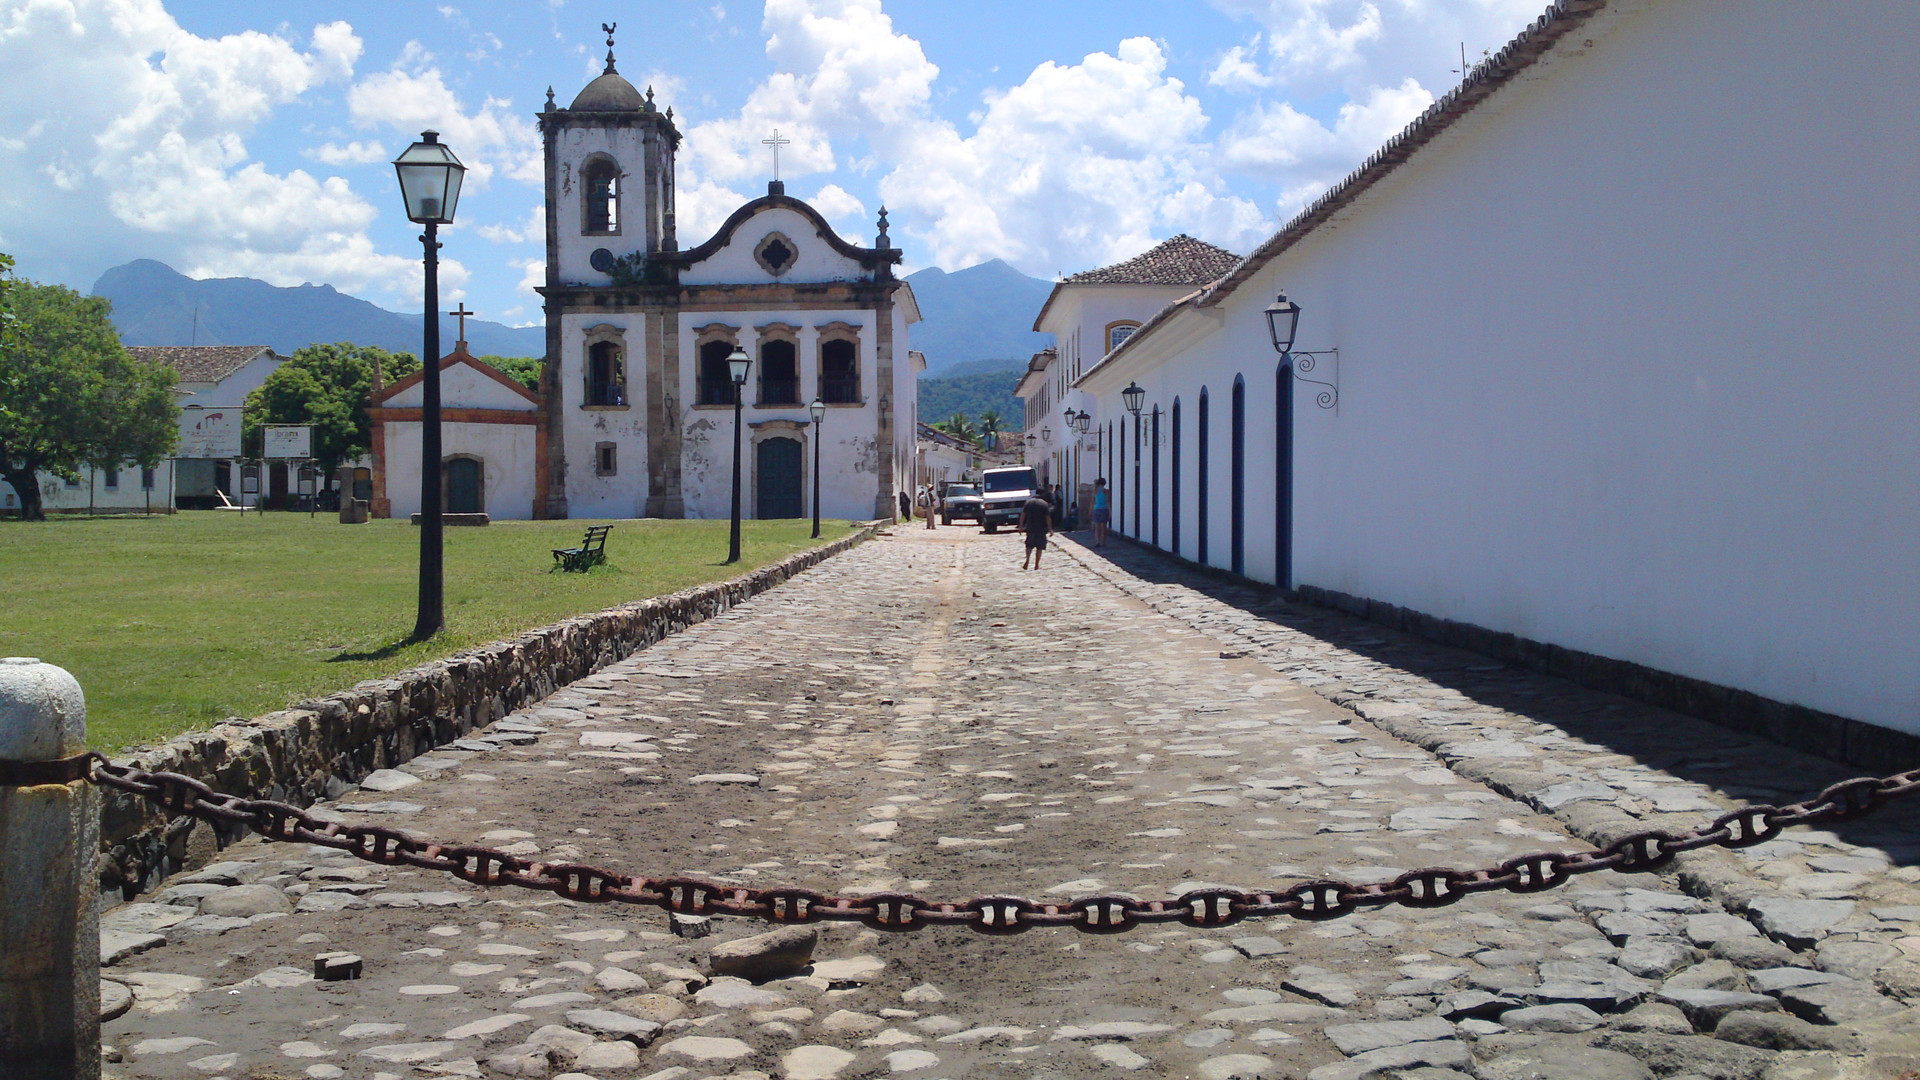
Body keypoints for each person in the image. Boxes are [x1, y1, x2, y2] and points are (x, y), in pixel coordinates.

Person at [1019, 487, 1053, 569]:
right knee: (1039, 547)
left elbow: (1023, 515)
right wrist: (1050, 528)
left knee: (1029, 545)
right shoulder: (1044, 504)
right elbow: (1047, 517)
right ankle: (1036, 564)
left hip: (1030, 527)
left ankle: (1027, 560)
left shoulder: (1028, 503)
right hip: (1041, 528)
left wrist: (1021, 526)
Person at [1090, 477, 1110, 547]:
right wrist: (1110, 511)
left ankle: (1097, 541)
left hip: (1097, 509)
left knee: (1097, 527)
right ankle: (1103, 542)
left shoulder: (1095, 491)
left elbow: (1092, 502)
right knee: (1104, 527)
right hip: (1104, 509)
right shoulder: (1107, 491)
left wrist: (1090, 511)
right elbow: (1108, 502)